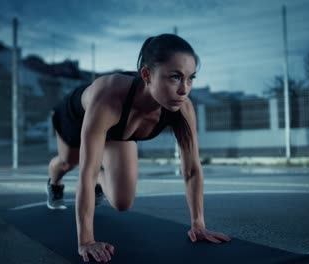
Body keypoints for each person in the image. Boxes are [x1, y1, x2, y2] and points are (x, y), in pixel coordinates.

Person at [47, 33, 231, 263]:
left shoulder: (183, 107)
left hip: (117, 131)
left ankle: (102, 180)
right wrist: (86, 241)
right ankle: (54, 183)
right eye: (175, 77)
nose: (185, 89)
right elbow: (86, 173)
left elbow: (192, 169)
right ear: (147, 75)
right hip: (76, 116)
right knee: (69, 162)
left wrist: (198, 224)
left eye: (190, 78)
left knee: (122, 202)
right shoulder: (108, 97)